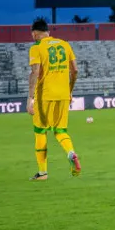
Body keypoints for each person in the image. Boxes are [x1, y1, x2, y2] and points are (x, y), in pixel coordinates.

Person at [28, 19, 81, 180]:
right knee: (60, 131)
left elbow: (35, 72)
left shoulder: (36, 47)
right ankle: (71, 153)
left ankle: (42, 172)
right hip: (63, 94)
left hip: (45, 95)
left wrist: (30, 98)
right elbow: (75, 71)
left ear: (35, 33)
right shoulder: (65, 44)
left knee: (40, 131)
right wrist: (69, 91)